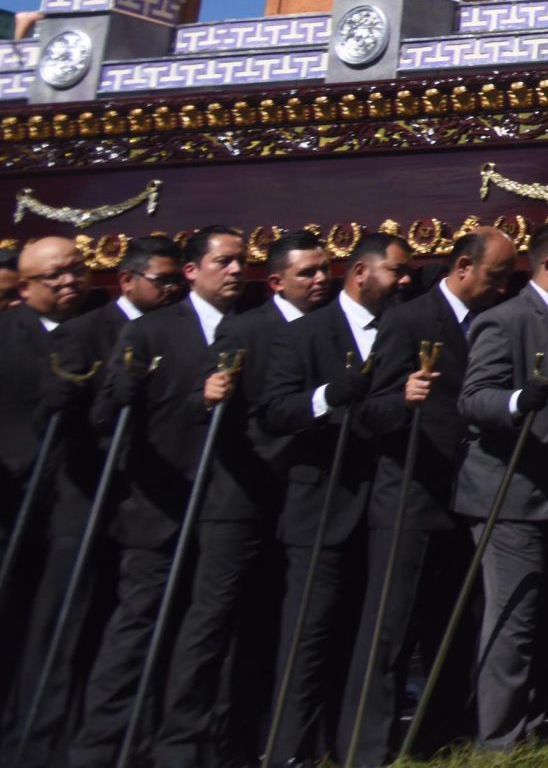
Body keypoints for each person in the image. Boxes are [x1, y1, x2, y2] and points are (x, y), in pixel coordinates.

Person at [69, 225, 270, 768]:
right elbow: (107, 414)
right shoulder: (152, 332)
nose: (235, 271)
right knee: (136, 630)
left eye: (241, 262)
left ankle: (183, 746)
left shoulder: (251, 329)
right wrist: (194, 400)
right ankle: (100, 748)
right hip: (159, 506)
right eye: (224, 261)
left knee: (207, 635)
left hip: (227, 508)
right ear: (192, 270)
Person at [343, 225, 519, 766]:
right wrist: (403, 399)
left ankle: (437, 739)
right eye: (495, 276)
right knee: (389, 633)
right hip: (410, 499)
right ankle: (367, 748)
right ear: (462, 268)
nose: (501, 288)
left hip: (468, 499)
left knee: (454, 627)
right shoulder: (408, 320)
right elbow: (366, 412)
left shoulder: (494, 322)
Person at [255, 231, 412, 768]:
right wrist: (326, 396)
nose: (406, 280)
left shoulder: (401, 328)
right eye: (397, 270)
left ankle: (359, 751)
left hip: (385, 503)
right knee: (308, 634)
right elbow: (274, 411)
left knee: (371, 635)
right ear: (363, 272)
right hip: (321, 504)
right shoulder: (304, 334)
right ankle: (288, 751)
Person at [458, 220, 548, 747]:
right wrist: (519, 400)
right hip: (510, 494)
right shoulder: (505, 320)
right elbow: (474, 398)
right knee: (514, 620)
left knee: (545, 620)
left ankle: (532, 721)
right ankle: (498, 741)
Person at [220, 229, 334, 762]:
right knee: (244, 627)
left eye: (322, 270)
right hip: (251, 500)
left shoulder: (332, 327)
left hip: (313, 503)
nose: (318, 280)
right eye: (306, 273)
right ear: (275, 281)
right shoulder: (244, 331)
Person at [0, 234, 93, 754]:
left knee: (54, 630)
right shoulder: (5, 334)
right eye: (53, 275)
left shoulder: (98, 333)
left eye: (76, 270)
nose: (67, 281)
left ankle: (39, 746)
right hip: (11, 502)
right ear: (26, 283)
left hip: (71, 509)